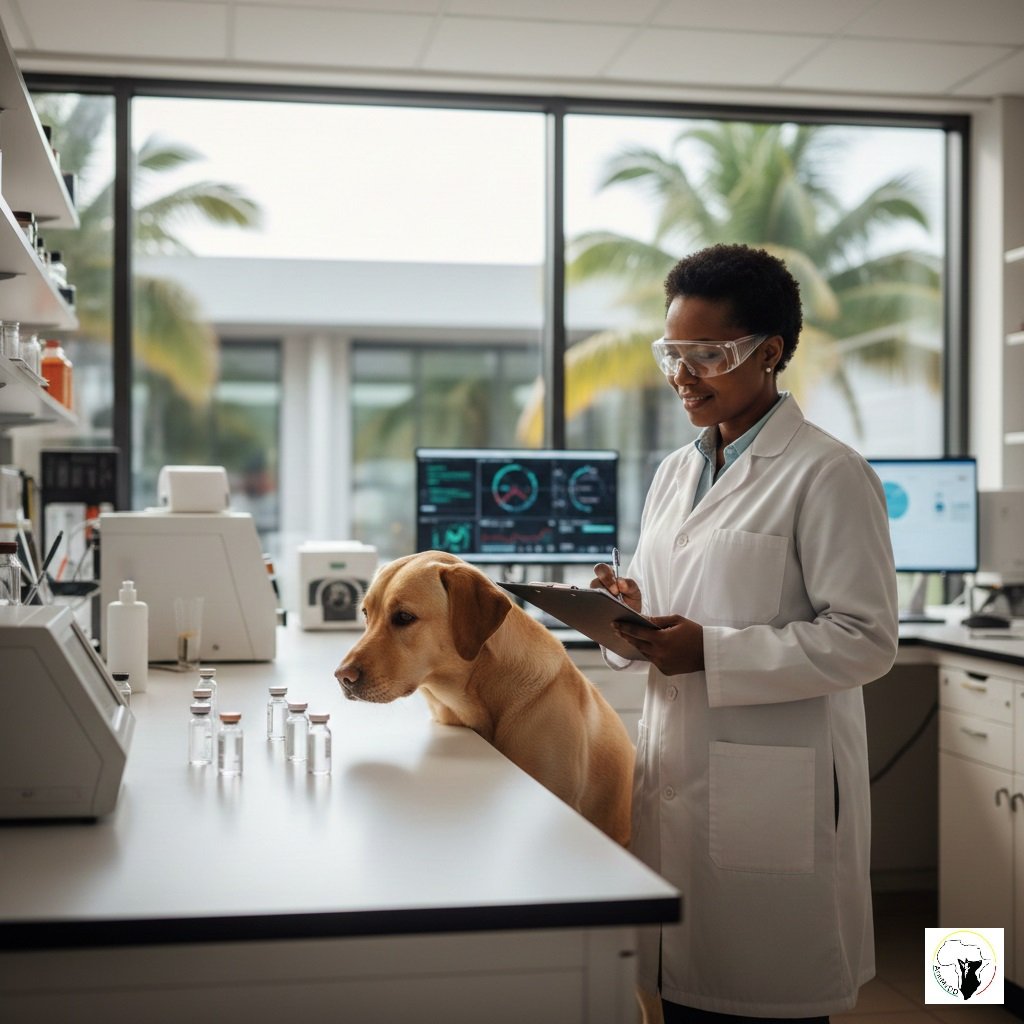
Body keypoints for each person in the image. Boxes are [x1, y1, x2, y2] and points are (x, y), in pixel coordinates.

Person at [591, 243, 899, 1024]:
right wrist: (626, 611)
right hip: (679, 769)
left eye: (709, 355)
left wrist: (714, 652)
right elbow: (678, 607)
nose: (683, 375)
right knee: (682, 995)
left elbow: (866, 639)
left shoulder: (829, 473)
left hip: (771, 789)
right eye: (673, 353)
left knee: (764, 1000)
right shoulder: (674, 471)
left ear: (769, 353)